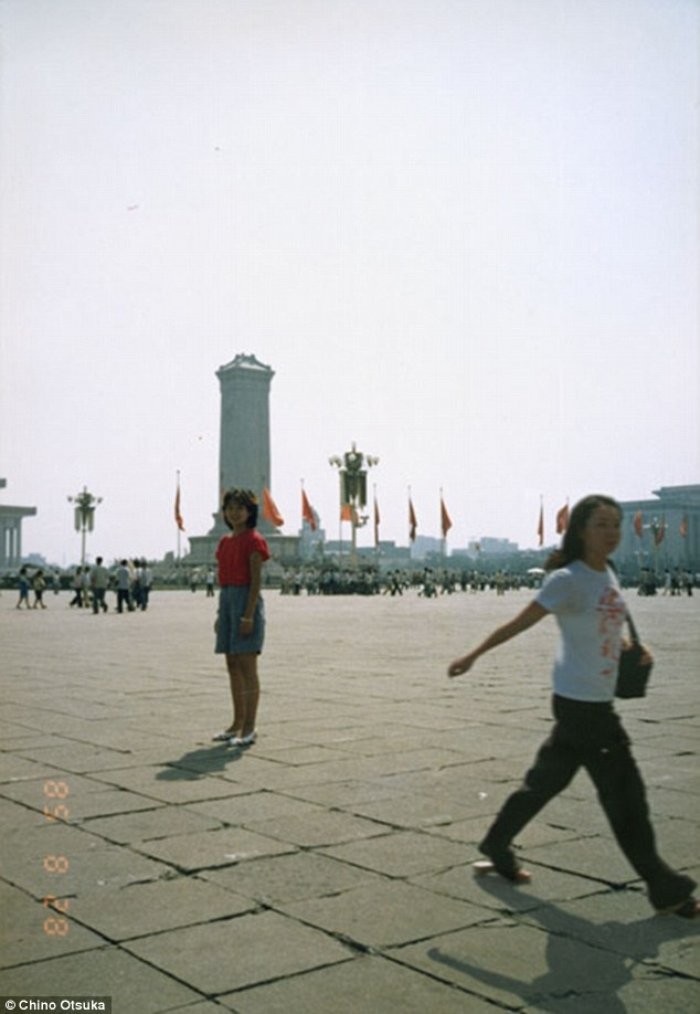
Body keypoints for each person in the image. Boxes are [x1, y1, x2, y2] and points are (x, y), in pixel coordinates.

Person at [447, 494, 698, 919]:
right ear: (581, 529)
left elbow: (604, 625)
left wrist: (632, 648)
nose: (612, 533)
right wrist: (473, 655)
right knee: (625, 795)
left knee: (544, 782)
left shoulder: (608, 574)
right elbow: (520, 622)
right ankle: (663, 885)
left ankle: (496, 843)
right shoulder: (567, 579)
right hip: (583, 706)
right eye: (602, 524)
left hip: (590, 699)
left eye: (615, 524)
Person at [212, 489, 270, 748]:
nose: (234, 512)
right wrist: (219, 615)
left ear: (250, 512)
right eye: (230, 508)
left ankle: (249, 727)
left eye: (240, 508)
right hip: (227, 602)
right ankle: (236, 723)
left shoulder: (254, 540)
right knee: (232, 665)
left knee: (248, 668)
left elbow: (256, 581)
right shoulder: (224, 542)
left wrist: (248, 616)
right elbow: (222, 581)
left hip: (246, 601)